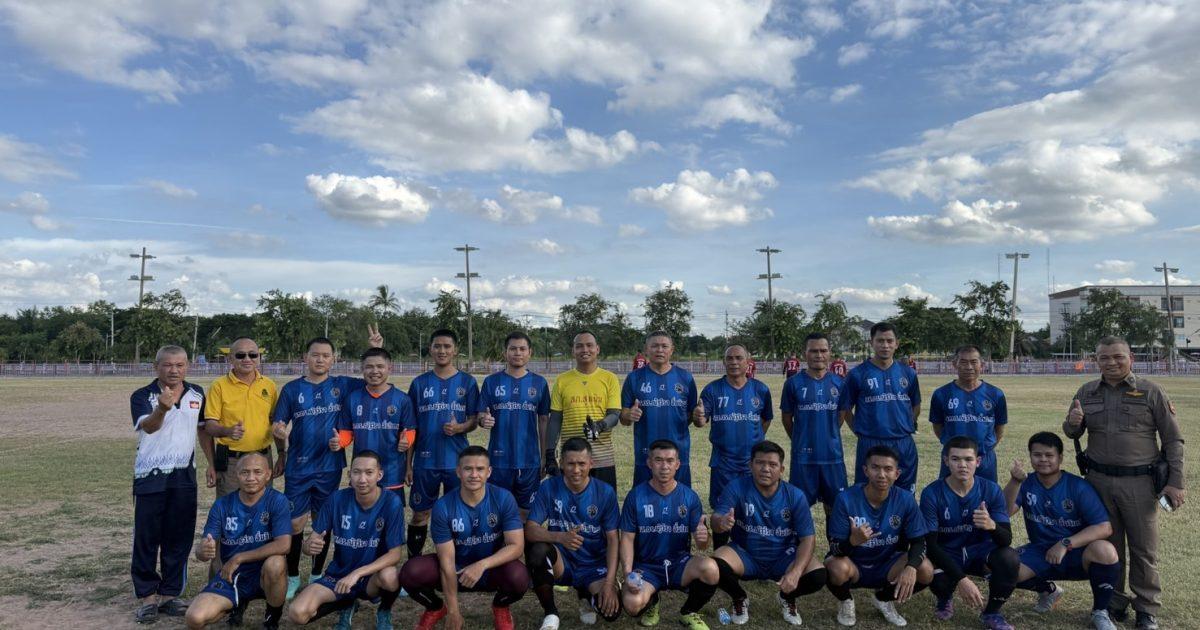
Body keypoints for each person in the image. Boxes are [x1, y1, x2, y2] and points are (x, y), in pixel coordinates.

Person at [1063, 336, 1185, 630]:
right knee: (1108, 545)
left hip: (1140, 484)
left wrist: (1176, 482)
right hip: (1098, 482)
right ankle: (1113, 603)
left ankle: (1146, 609)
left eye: (1118, 356)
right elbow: (1071, 431)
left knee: (1144, 549)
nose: (1111, 362)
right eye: (1104, 357)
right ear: (1096, 361)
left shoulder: (1151, 391)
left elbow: (1172, 440)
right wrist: (1073, 423)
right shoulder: (1087, 392)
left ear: (1131, 358)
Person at [272, 330, 381, 599]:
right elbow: (279, 423)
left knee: (323, 522)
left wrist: (374, 348)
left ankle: (317, 573)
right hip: (299, 466)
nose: (320, 360)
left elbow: (374, 376)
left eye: (325, 356)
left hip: (330, 466)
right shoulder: (291, 389)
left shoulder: (343, 385)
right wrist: (279, 431)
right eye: (315, 355)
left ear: (334, 359)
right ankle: (293, 575)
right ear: (305, 358)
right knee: (295, 523)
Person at [400, 446, 528, 630]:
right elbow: (446, 561)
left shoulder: (503, 498)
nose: (474, 475)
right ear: (458, 472)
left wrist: (482, 565)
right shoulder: (443, 506)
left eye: (480, 469)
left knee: (519, 577)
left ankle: (500, 606)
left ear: (489, 472)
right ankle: (436, 608)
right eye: (468, 469)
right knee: (410, 572)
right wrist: (454, 611)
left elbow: (516, 546)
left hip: (490, 569)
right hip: (456, 569)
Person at [1004, 431, 1122, 630]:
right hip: (1041, 550)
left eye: (1049, 455)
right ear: (1030, 456)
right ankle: (1048, 590)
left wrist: (1066, 543)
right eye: (1037, 455)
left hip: (1077, 553)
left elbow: (1104, 527)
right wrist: (1015, 482)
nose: (1043, 459)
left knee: (1105, 551)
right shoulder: (1026, 483)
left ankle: (1100, 612)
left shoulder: (1078, 486)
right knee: (1002, 568)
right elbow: (1005, 512)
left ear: (1060, 457)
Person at [129, 345, 209, 624]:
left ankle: (170, 594)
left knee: (179, 536)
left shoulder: (197, 393)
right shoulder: (142, 395)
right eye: (167, 365)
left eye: (179, 365)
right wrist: (162, 408)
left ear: (188, 366)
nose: (174, 370)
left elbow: (203, 430)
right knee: (147, 537)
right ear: (156, 367)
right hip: (150, 476)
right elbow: (149, 427)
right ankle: (147, 596)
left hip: (184, 476)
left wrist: (212, 463)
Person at [709, 441, 827, 626]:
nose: (765, 469)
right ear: (750, 465)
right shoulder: (736, 487)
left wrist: (796, 572)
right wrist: (720, 522)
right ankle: (739, 598)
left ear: (782, 469)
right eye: (760, 463)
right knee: (713, 565)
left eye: (772, 464)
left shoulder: (795, 495)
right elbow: (716, 519)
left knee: (818, 574)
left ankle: (786, 597)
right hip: (745, 554)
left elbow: (807, 539)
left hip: (783, 556)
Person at [288, 451, 405, 630]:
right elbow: (312, 540)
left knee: (390, 576)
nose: (362, 479)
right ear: (349, 475)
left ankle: (384, 610)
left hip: (371, 577)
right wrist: (309, 546)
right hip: (338, 576)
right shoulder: (336, 499)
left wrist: (357, 574)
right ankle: (346, 603)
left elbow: (395, 555)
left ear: (379, 475)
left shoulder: (391, 502)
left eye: (369, 472)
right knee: (297, 613)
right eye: (356, 472)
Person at [825, 445, 933, 627]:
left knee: (925, 569)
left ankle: (883, 598)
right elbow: (835, 548)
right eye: (875, 467)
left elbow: (919, 541)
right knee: (834, 566)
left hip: (888, 564)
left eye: (888, 469)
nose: (881, 474)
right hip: (854, 566)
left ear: (897, 474)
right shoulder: (846, 499)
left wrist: (911, 567)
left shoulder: (905, 499)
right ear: (865, 470)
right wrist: (853, 541)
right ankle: (846, 600)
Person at [920, 436, 1018, 630]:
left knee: (1009, 558)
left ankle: (992, 613)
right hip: (948, 552)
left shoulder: (991, 489)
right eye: (955, 459)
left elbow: (1006, 539)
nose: (962, 465)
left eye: (968, 459)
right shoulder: (932, 493)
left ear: (978, 461)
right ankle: (944, 598)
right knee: (939, 581)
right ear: (946, 461)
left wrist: (992, 525)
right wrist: (962, 579)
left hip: (979, 552)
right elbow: (930, 545)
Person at [620, 440, 718, 630]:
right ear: (649, 463)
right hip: (646, 567)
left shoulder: (689, 497)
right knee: (632, 604)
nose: (664, 466)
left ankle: (688, 612)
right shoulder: (636, 496)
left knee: (711, 569)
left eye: (670, 461)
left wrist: (703, 537)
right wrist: (627, 573)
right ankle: (652, 601)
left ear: (677, 464)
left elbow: (702, 546)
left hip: (679, 564)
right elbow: (626, 539)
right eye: (658, 460)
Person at [525, 438, 621, 630]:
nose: (576, 470)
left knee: (611, 612)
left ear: (591, 463)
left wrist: (609, 583)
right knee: (537, 551)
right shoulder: (549, 487)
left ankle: (585, 594)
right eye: (570, 464)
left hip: (593, 565)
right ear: (561, 463)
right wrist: (560, 537)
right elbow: (530, 529)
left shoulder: (605, 492)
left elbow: (613, 539)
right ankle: (551, 613)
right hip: (563, 563)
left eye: (581, 464)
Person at [186, 453, 291, 630]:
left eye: (257, 472)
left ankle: (272, 619)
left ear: (268, 475)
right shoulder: (222, 505)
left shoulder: (278, 501)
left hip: (264, 574)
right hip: (232, 575)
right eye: (245, 472)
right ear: (236, 475)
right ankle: (236, 603)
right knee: (194, 618)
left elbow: (284, 545)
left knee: (276, 563)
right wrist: (202, 550)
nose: (251, 478)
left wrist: (239, 557)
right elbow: (203, 551)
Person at [406, 329, 481, 560]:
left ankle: (457, 562)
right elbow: (411, 428)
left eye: (447, 346)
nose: (442, 350)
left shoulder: (468, 382)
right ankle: (414, 563)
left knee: (457, 514)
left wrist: (460, 427)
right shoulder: (419, 383)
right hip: (425, 462)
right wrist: (408, 465)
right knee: (420, 514)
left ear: (455, 350)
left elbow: (474, 420)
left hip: (456, 463)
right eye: (437, 346)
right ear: (430, 349)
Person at [699, 344, 773, 548]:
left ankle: (750, 551)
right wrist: (698, 417)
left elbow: (766, 419)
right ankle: (720, 554)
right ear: (723, 362)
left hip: (752, 465)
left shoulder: (760, 389)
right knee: (722, 511)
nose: (734, 362)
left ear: (748, 362)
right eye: (729, 358)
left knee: (752, 509)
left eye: (739, 358)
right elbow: (700, 421)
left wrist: (755, 439)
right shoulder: (712, 389)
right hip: (723, 464)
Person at [839, 322, 921, 493]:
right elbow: (846, 409)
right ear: (872, 343)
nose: (885, 345)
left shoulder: (908, 373)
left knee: (905, 494)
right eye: (880, 341)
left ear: (896, 343)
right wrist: (859, 430)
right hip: (870, 441)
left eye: (889, 341)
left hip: (903, 442)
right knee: (868, 493)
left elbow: (915, 404)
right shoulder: (857, 374)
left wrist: (906, 424)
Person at [478, 331, 551, 516]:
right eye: (513, 349)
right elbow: (481, 415)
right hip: (498, 460)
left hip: (529, 461)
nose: (517, 353)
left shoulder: (539, 383)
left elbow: (543, 420)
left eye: (522, 349)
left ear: (530, 352)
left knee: (526, 513)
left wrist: (544, 456)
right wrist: (483, 420)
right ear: (505, 352)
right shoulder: (491, 382)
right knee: (497, 512)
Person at [204, 337, 281, 499]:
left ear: (259, 358)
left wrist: (281, 454)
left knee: (263, 507)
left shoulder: (269, 385)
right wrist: (227, 431)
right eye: (240, 355)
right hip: (232, 462)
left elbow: (275, 423)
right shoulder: (219, 386)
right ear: (230, 359)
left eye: (253, 355)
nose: (247, 359)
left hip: (263, 458)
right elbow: (209, 425)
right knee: (230, 508)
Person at [621, 331, 700, 487]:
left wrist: (697, 416)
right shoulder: (634, 378)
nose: (659, 350)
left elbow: (691, 415)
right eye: (654, 346)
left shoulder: (686, 378)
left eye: (664, 346)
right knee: (644, 497)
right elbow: (623, 417)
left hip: (678, 453)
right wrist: (629, 415)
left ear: (672, 350)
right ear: (646, 349)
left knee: (679, 498)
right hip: (645, 453)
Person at [780, 332, 847, 517]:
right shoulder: (793, 383)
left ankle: (834, 538)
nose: (819, 355)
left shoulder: (840, 383)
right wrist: (800, 438)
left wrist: (828, 434)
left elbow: (841, 416)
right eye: (813, 351)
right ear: (805, 353)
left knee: (835, 508)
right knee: (800, 508)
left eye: (823, 350)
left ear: (830, 352)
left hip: (832, 457)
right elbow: (786, 418)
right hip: (803, 458)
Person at [545, 331, 622, 489]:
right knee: (569, 503)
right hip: (571, 459)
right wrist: (550, 454)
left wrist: (599, 426)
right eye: (579, 346)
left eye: (589, 345)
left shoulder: (610, 378)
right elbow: (555, 420)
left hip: (602, 458)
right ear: (573, 351)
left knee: (604, 502)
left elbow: (614, 415)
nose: (585, 349)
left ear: (597, 349)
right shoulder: (562, 380)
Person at [928, 344, 1007, 482]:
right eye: (963, 362)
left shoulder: (995, 394)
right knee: (950, 493)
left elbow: (999, 428)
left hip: (984, 459)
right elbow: (938, 426)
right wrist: (953, 447)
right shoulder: (941, 394)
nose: (969, 367)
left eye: (974, 362)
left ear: (982, 364)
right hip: (953, 459)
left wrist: (985, 447)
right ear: (955, 364)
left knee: (986, 494)